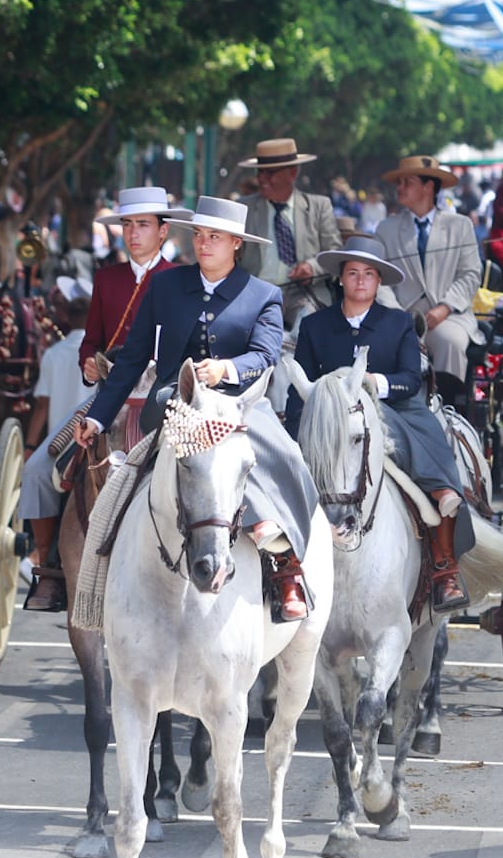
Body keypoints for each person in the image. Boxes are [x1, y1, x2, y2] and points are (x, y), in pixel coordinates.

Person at [73, 197, 316, 622]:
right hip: (175, 403)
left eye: (215, 237)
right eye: (200, 235)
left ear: (236, 243)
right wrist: (96, 415)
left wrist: (226, 368)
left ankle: (285, 565)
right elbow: (131, 359)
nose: (204, 244)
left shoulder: (264, 295)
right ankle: (103, 557)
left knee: (287, 455)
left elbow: (264, 355)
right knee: (121, 477)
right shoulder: (165, 287)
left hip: (240, 404)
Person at [287, 236, 473, 611]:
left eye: (368, 274)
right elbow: (299, 388)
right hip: (329, 417)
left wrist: (374, 383)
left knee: (428, 429)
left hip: (394, 405)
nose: (360, 280)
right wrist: (294, 435)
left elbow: (411, 377)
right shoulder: (315, 326)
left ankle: (444, 564)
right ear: (340, 279)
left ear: (378, 282)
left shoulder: (399, 322)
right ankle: (287, 569)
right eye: (353, 273)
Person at [376, 154, 483, 402]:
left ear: (429, 186)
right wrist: (397, 315)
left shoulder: (460, 225)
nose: (399, 188)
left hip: (449, 316)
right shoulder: (386, 228)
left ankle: (451, 416)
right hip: (401, 317)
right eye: (399, 183)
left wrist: (445, 307)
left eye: (407, 182)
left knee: (450, 342)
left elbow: (470, 274)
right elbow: (378, 278)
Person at [19, 277, 91, 611]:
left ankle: (45, 560)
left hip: (58, 444)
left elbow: (43, 407)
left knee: (35, 474)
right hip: (91, 436)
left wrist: (31, 446)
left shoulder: (54, 354)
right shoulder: (100, 352)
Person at [79, 187, 188, 390]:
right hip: (112, 395)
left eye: (143, 224)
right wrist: (89, 365)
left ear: (162, 231)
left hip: (162, 396)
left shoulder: (182, 279)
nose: (133, 233)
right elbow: (91, 342)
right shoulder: (105, 278)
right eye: (127, 224)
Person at [237, 138, 341, 328]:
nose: (261, 179)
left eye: (269, 173)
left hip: (305, 294)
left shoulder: (319, 206)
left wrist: (311, 268)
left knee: (307, 325)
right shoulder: (243, 208)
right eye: (259, 172)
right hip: (255, 294)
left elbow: (334, 254)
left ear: (292, 173)